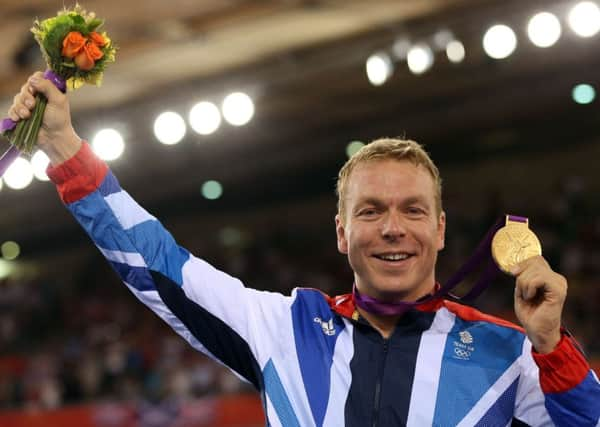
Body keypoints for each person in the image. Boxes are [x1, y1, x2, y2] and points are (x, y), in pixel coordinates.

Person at [7, 72, 600, 426]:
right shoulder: (284, 327)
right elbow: (159, 263)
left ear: (441, 229)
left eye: (413, 210)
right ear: (342, 233)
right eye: (370, 211)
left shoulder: (509, 354)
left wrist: (551, 344)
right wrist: (64, 145)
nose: (393, 229)